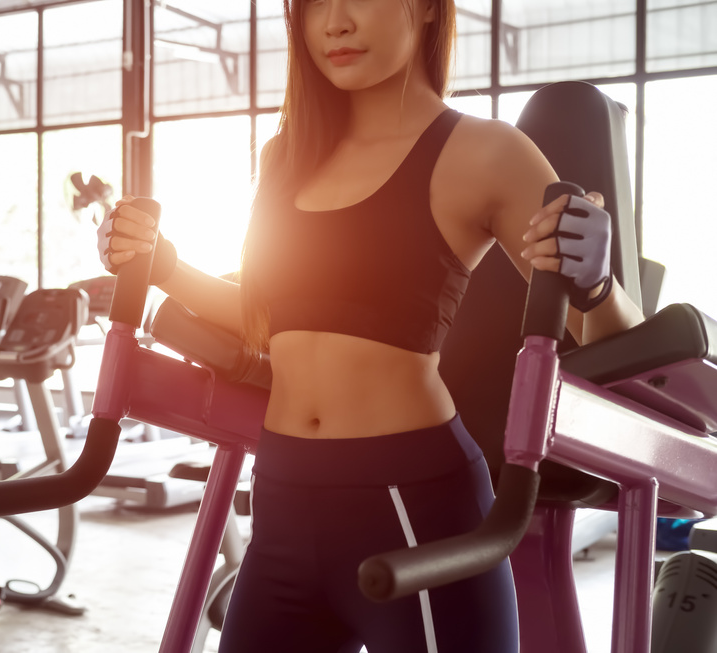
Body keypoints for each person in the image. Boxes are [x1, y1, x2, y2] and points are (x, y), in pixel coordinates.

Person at [97, 1, 645, 650]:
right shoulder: (284, 156)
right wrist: (166, 267)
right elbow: (267, 318)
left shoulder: (486, 152)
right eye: (312, 6)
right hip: (283, 496)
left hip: (415, 505)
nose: (334, 23)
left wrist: (599, 285)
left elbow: (617, 348)